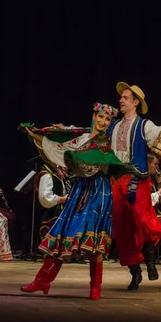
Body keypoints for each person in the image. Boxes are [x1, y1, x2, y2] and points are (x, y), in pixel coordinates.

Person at [20, 102, 127, 300]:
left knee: (95, 238)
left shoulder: (107, 142)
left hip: (99, 192)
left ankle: (96, 286)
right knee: (64, 233)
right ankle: (43, 280)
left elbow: (113, 165)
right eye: (101, 117)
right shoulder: (82, 138)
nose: (103, 122)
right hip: (80, 190)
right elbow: (59, 147)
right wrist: (36, 135)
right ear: (94, 116)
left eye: (107, 119)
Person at [107, 81, 161, 291]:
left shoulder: (143, 125)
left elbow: (158, 134)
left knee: (145, 222)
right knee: (124, 229)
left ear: (135, 102)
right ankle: (135, 272)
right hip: (117, 182)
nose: (121, 100)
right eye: (121, 98)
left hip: (137, 181)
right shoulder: (113, 125)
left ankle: (151, 261)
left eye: (125, 98)